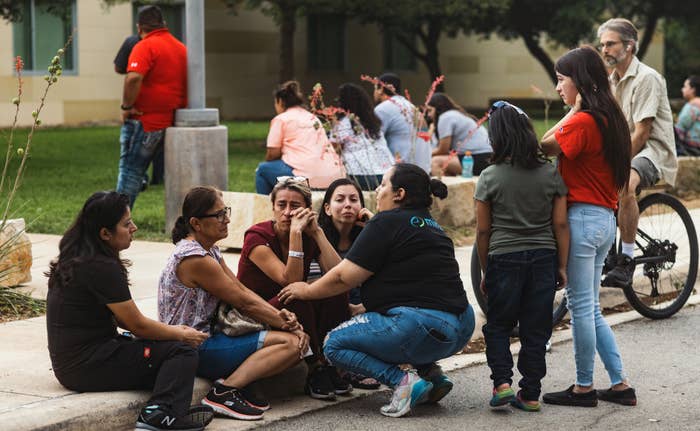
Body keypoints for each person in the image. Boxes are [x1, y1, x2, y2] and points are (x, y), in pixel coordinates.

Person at [278, 163, 475, 418]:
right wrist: (362, 308)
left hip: (421, 326)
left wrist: (306, 290)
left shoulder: (387, 222)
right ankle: (432, 376)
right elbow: (410, 286)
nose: (378, 191)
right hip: (461, 327)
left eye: (383, 184)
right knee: (394, 326)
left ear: (399, 194)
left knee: (334, 344)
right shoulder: (432, 226)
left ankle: (402, 382)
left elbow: (342, 277)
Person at [46, 191, 213, 431]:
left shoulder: (80, 257)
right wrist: (180, 334)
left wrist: (161, 334)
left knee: (160, 352)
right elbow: (137, 324)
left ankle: (164, 410)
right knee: (182, 352)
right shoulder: (102, 267)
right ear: (105, 233)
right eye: (126, 224)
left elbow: (123, 320)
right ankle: (160, 415)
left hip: (75, 364)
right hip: (87, 366)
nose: (134, 227)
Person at [158, 186, 308, 420]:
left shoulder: (209, 251)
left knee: (292, 340)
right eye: (219, 215)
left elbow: (242, 290)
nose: (227, 219)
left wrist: (282, 318)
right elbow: (242, 302)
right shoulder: (195, 258)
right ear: (196, 224)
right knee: (292, 344)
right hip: (192, 347)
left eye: (225, 211)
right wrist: (287, 325)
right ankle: (223, 392)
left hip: (209, 337)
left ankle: (233, 384)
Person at [540, 46, 636, 407]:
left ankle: (583, 387)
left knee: (581, 307)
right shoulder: (610, 118)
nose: (557, 87)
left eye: (561, 79)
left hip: (581, 221)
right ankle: (620, 384)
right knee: (589, 307)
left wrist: (572, 113)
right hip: (604, 221)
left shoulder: (583, 122)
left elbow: (541, 148)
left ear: (579, 82)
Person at [475, 101, 569, 412]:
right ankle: (530, 394)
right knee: (535, 328)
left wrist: (487, 270)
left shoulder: (489, 177)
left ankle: (502, 383)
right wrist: (562, 265)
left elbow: (483, 232)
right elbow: (560, 223)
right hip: (543, 257)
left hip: (504, 258)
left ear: (497, 137)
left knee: (499, 325)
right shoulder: (550, 173)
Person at [238, 177, 352, 400]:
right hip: (255, 314)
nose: (288, 212)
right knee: (296, 294)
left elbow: (340, 275)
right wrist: (296, 235)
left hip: (288, 311)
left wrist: (317, 232)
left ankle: (331, 360)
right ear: (273, 207)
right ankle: (315, 367)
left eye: (295, 206)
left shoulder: (309, 235)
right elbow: (289, 280)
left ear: (308, 210)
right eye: (282, 205)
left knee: (334, 292)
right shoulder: (257, 237)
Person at [597, 18, 677, 288]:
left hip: (653, 151)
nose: (604, 49)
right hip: (627, 149)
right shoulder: (610, 82)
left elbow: (642, 133)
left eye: (610, 44)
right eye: (602, 45)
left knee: (623, 182)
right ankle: (607, 251)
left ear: (629, 46)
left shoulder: (647, 78)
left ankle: (627, 260)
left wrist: (615, 164)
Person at [313, 178, 381, 390]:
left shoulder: (368, 236)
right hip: (331, 299)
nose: (348, 205)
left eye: (354, 199)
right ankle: (340, 367)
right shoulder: (317, 236)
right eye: (340, 200)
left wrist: (374, 224)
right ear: (327, 208)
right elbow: (334, 278)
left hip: (362, 302)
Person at [117, 5, 186, 207]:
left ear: (139, 28)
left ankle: (118, 219)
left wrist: (126, 106)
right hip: (170, 122)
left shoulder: (144, 46)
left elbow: (133, 79)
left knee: (131, 172)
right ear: (164, 24)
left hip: (144, 121)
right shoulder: (181, 48)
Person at [255, 81, 345, 195]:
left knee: (262, 170)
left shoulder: (281, 119)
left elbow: (272, 154)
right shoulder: (313, 118)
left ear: (280, 101)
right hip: (334, 176)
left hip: (306, 178)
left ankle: (269, 210)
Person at [113, 33, 164, 188]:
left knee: (133, 143)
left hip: (137, 103)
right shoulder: (166, 44)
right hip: (160, 102)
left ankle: (141, 178)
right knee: (157, 138)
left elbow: (121, 69)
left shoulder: (132, 42)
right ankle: (158, 176)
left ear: (139, 26)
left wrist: (126, 106)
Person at [330, 83, 394, 191]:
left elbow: (333, 150)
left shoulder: (343, 123)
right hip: (386, 174)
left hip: (359, 175)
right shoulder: (373, 122)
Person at [373, 73, 431, 174]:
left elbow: (374, 141)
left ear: (381, 89)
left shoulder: (382, 109)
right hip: (424, 167)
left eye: (375, 88)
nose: (374, 92)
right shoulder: (411, 106)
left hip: (402, 171)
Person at [427, 92, 492, 176]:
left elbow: (443, 150)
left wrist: (425, 155)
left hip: (478, 158)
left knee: (435, 162)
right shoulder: (456, 114)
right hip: (487, 157)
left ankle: (439, 188)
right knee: (445, 165)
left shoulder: (445, 117)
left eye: (430, 110)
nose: (428, 115)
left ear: (438, 108)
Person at [674, 75, 700, 156]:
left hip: (692, 148)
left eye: (685, 87)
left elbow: (680, 129)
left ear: (693, 89)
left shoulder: (692, 106)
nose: (682, 89)